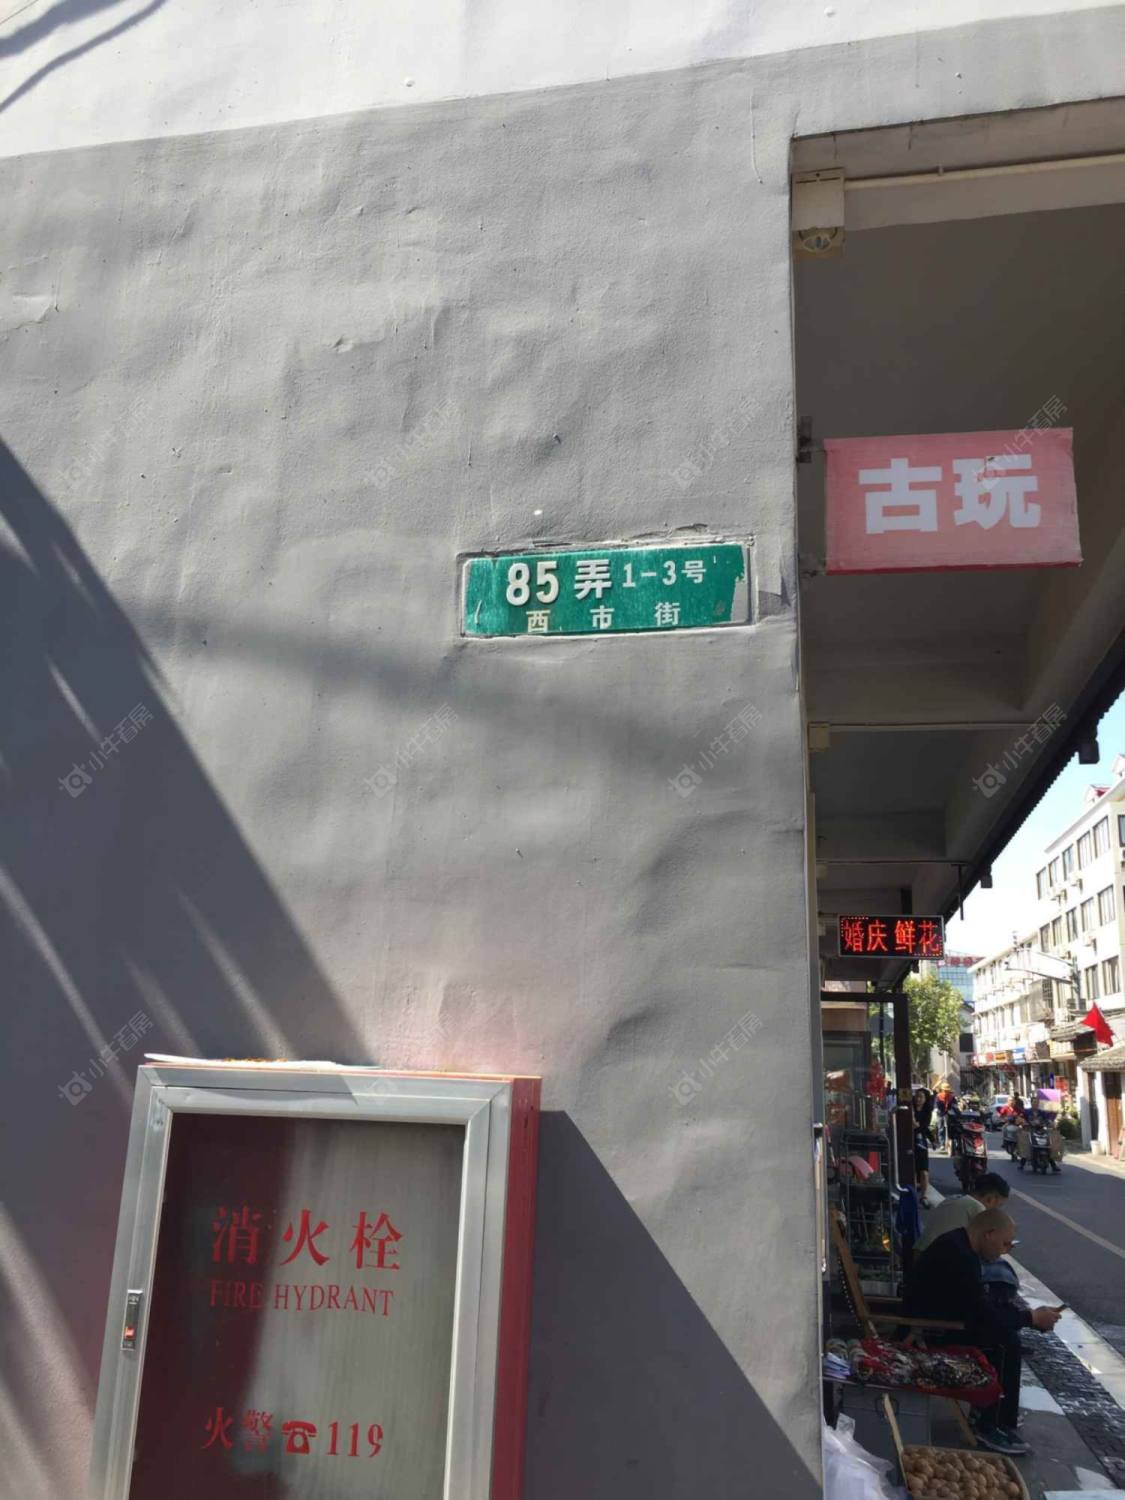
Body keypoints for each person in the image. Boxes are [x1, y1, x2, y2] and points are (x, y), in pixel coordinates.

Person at [904, 1208, 1061, 1455]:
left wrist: (1026, 1317)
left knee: (1004, 1332)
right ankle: (989, 1424)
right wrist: (1030, 1318)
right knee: (1003, 1342)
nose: (1005, 1251)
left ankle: (1000, 1416)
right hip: (932, 1330)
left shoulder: (959, 1244)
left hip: (942, 1320)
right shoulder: (960, 1256)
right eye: (1005, 1243)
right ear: (989, 1234)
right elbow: (981, 1315)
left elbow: (977, 1306)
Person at [913, 1172, 1010, 1256]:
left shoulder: (954, 1198)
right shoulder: (978, 1208)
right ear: (990, 1199)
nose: (998, 1209)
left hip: (918, 1254)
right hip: (933, 1261)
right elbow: (986, 1247)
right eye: (999, 1205)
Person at [912, 1088, 934, 1207]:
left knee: (924, 1171)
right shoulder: (909, 1108)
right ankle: (912, 1196)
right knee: (912, 1170)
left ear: (926, 1099)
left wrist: (932, 1139)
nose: (918, 1099)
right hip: (909, 1142)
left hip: (921, 1143)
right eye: (917, 1096)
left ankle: (924, 1197)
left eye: (921, 1097)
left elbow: (923, 1127)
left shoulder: (927, 1112)